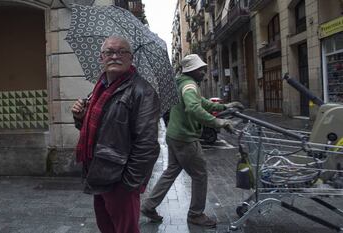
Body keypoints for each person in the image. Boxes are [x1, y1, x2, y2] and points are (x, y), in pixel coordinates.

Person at [141, 54, 244, 227]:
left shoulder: (181, 82)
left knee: (171, 171)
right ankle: (196, 214)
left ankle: (149, 205)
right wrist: (219, 122)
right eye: (201, 70)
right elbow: (194, 107)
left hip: (174, 135)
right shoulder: (189, 85)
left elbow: (201, 102)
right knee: (200, 174)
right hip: (185, 138)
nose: (204, 72)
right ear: (192, 71)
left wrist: (224, 106)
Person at [71, 35, 161, 233]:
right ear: (101, 58)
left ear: (131, 58)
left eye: (122, 52)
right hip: (98, 172)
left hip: (121, 181)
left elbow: (147, 145)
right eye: (109, 52)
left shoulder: (142, 91)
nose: (115, 56)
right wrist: (80, 116)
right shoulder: (99, 89)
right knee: (107, 228)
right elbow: (100, 132)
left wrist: (128, 185)